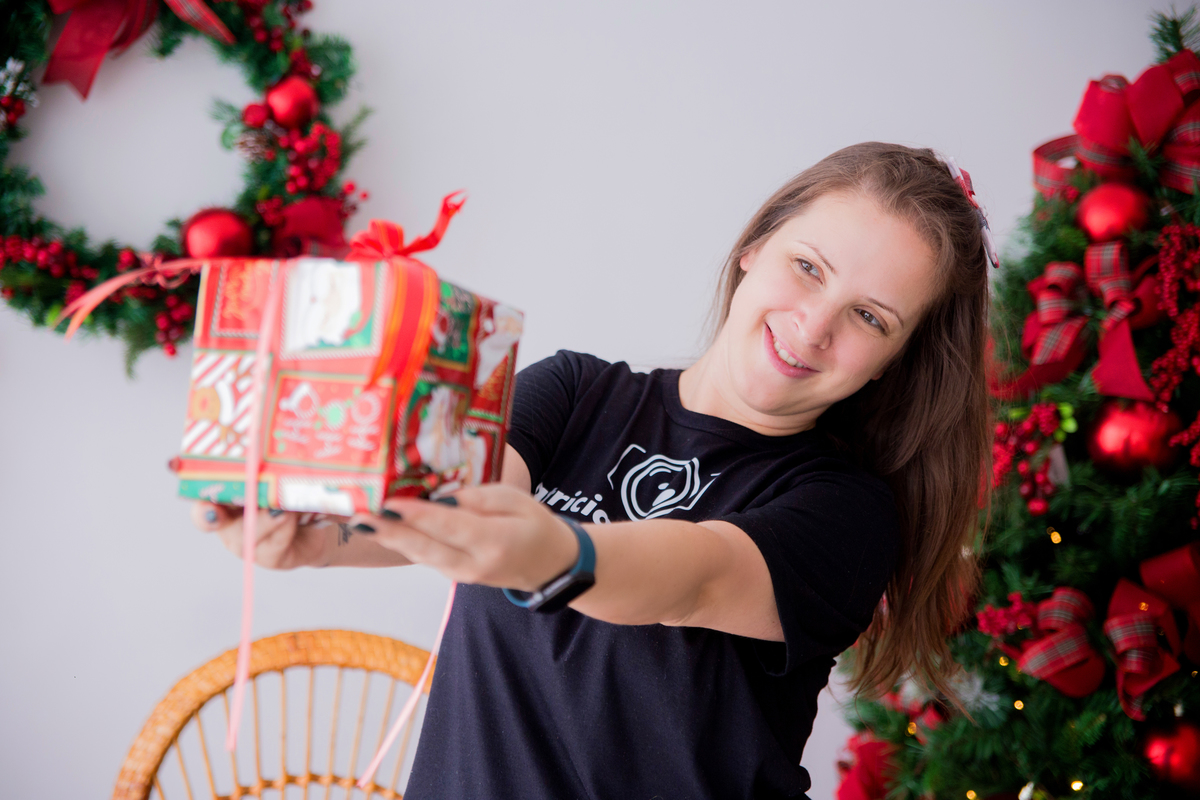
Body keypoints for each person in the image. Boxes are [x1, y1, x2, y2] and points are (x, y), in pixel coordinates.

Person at [194, 141, 993, 799]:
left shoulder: (847, 514)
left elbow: (694, 577)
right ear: (754, 248)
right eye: (809, 267)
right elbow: (454, 509)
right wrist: (321, 538)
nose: (814, 325)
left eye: (869, 317)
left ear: (894, 359)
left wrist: (552, 552)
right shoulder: (575, 390)